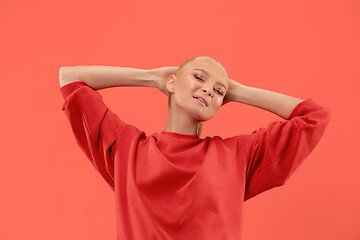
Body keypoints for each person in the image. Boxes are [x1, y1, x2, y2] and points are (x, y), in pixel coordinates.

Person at [59, 55, 331, 240]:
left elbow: (314, 117)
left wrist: (238, 91)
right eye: (199, 77)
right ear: (173, 82)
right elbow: (70, 78)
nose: (209, 89)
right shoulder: (126, 148)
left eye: (219, 90)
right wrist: (152, 77)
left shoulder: (236, 156)